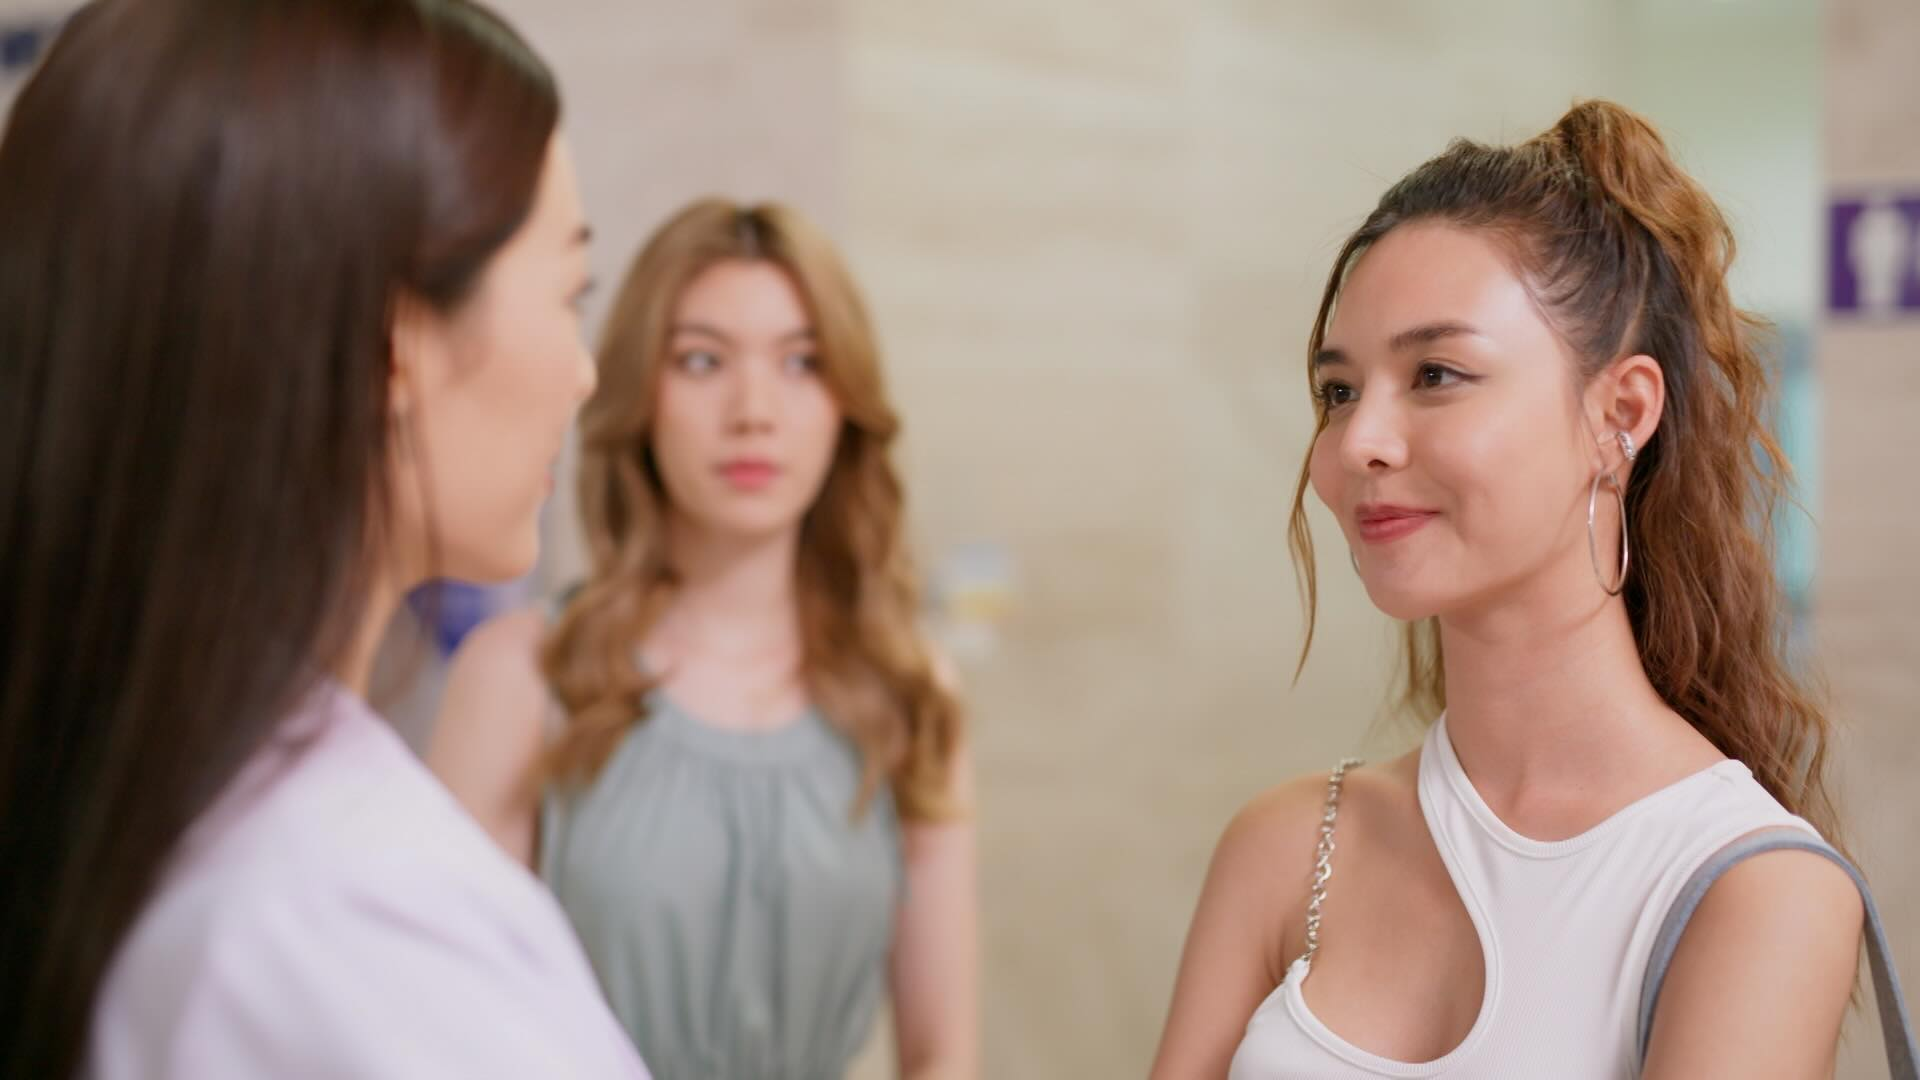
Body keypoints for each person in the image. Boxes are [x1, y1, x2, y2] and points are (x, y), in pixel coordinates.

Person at [0, 1, 650, 1076]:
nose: (584, 375)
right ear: (395, 344)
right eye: (569, 294)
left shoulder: (118, 785)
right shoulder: (352, 923)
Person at [1151, 100, 1863, 1079]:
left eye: (1436, 374)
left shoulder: (1751, 888)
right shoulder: (1286, 849)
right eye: (1339, 391)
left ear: (1620, 415)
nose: (1359, 443)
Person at [429, 198, 979, 1079]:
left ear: (846, 405)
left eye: (802, 362)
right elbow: (452, 1032)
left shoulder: (910, 691)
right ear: (640, 395)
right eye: (701, 360)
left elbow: (944, 1052)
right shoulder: (522, 676)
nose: (753, 410)